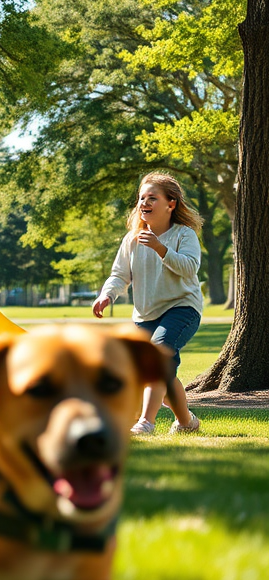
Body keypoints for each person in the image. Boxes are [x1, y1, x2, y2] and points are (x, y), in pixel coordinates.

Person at [92, 173, 203, 435]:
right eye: (142, 198)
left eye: (152, 197)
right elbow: (119, 275)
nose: (144, 202)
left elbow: (190, 268)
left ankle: (146, 422)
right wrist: (107, 294)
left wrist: (160, 248)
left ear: (171, 204)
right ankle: (187, 422)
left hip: (182, 308)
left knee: (158, 355)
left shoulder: (184, 235)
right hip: (144, 315)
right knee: (160, 373)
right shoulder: (132, 239)